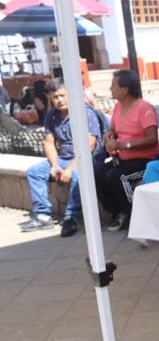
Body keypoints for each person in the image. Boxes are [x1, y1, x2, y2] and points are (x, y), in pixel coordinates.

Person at [20, 80, 101, 236]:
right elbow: (49, 143)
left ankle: (71, 217)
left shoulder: (85, 112)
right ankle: (43, 215)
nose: (60, 100)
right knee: (34, 172)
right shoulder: (52, 115)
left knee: (78, 175)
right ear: (50, 98)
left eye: (63, 95)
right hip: (63, 158)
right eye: (55, 97)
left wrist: (70, 169)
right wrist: (55, 165)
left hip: (87, 159)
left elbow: (89, 145)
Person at [93, 69, 159, 232]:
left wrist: (124, 145)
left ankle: (139, 217)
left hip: (145, 159)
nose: (111, 89)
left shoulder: (145, 108)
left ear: (125, 90)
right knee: (97, 173)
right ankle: (118, 212)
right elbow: (114, 129)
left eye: (113, 86)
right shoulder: (118, 107)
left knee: (116, 177)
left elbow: (152, 138)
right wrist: (110, 135)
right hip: (122, 158)